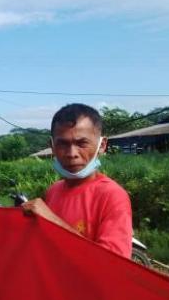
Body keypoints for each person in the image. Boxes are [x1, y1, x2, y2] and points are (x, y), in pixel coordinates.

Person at [22, 103, 133, 258]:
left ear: (102, 145)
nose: (72, 153)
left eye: (82, 143)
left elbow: (114, 266)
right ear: (52, 146)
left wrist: (53, 221)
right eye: (63, 144)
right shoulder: (54, 190)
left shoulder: (112, 196)